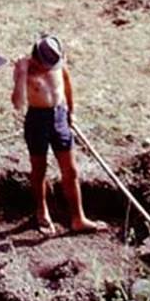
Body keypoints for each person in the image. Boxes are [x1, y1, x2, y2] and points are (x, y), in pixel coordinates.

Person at [12, 35, 106, 236]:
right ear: (36, 57)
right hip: (37, 120)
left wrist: (71, 111)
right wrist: (21, 73)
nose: (50, 68)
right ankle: (42, 212)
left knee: (70, 170)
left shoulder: (56, 62)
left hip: (60, 116)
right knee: (39, 169)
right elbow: (18, 103)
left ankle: (78, 218)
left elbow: (66, 82)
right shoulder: (26, 69)